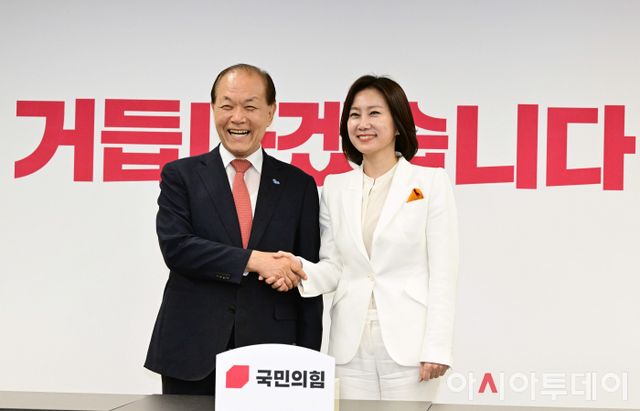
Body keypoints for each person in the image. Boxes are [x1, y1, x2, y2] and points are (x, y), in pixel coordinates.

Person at [271, 75, 459, 401]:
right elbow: (334, 266)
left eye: (374, 113)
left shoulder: (430, 182)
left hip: (410, 344)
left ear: (397, 123)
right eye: (354, 115)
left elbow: (444, 272)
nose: (363, 124)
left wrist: (437, 347)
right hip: (350, 344)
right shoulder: (334, 187)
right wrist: (298, 267)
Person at [144, 63, 323, 395]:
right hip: (193, 350)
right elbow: (178, 248)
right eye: (227, 106)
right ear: (213, 109)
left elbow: (307, 273)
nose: (237, 118)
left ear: (271, 112)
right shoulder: (181, 176)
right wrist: (256, 261)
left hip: (273, 354)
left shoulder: (298, 185)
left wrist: (310, 361)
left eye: (250, 107)